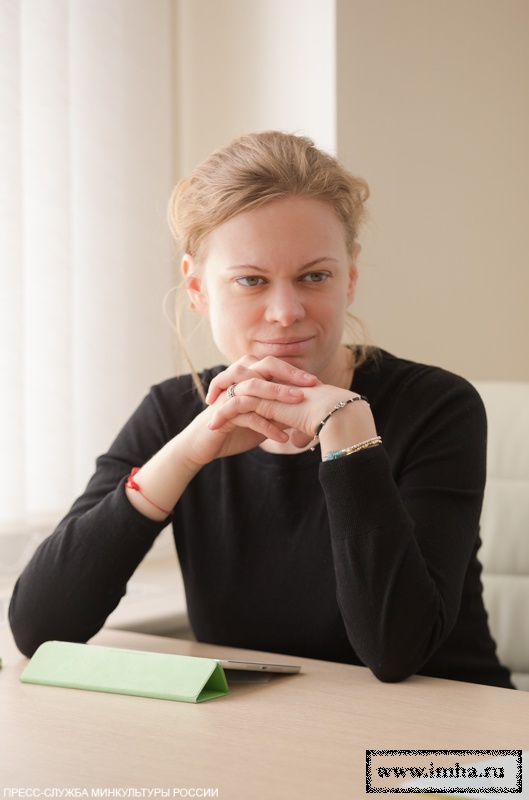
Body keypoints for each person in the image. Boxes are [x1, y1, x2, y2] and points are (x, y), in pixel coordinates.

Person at [9, 131, 513, 688]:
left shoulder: (438, 407)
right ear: (198, 289)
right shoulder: (172, 411)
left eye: (314, 276)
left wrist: (348, 436)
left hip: (458, 737)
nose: (285, 312)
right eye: (251, 281)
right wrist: (186, 455)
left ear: (349, 278)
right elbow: (39, 628)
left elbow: (395, 653)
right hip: (273, 731)